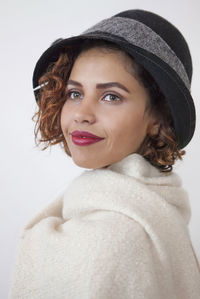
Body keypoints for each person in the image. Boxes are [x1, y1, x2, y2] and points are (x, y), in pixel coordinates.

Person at [9, 9, 200, 299]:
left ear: (158, 118)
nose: (82, 114)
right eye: (75, 93)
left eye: (111, 96)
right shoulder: (162, 215)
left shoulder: (110, 238)